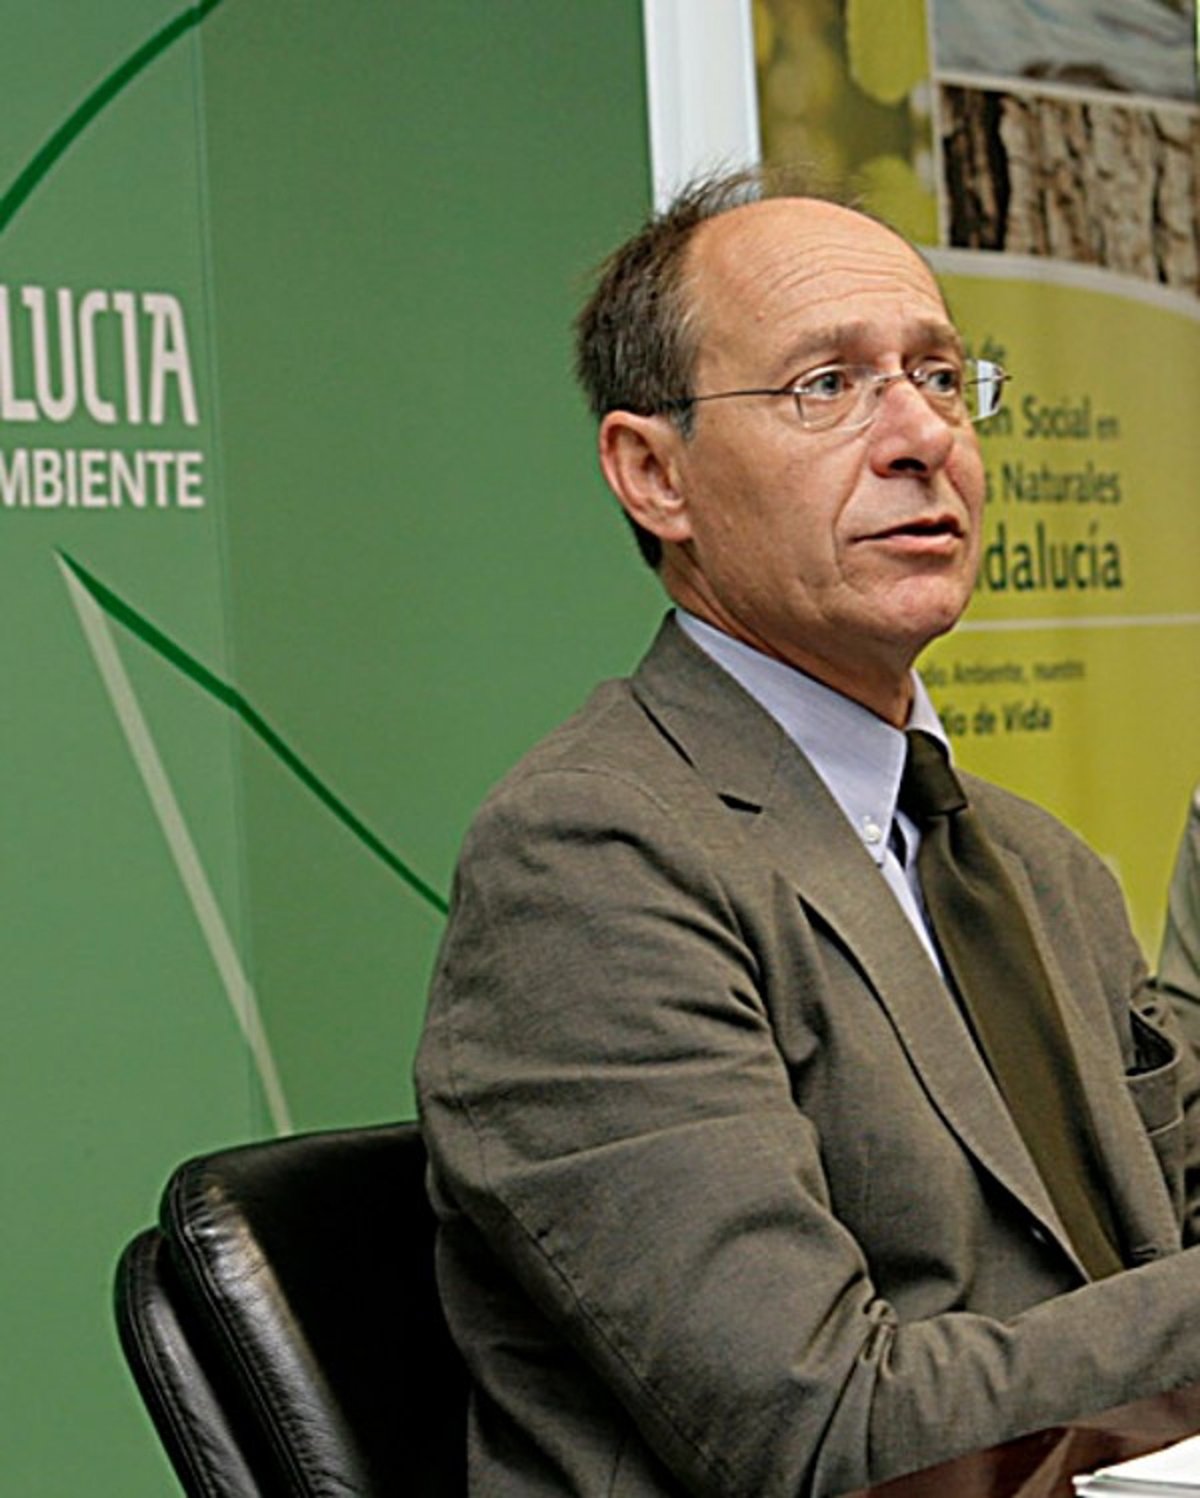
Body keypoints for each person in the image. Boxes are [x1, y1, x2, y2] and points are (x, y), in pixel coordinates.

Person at [414, 172, 1200, 1497]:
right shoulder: (592, 858)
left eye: (939, 377)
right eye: (825, 386)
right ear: (653, 473)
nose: (922, 437)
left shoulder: (1036, 865)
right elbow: (820, 1433)